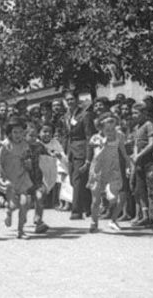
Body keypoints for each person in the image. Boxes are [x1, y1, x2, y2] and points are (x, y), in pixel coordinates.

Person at [87, 112, 132, 232]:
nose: (111, 131)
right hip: (98, 170)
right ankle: (94, 222)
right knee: (95, 201)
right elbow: (97, 156)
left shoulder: (119, 136)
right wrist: (104, 145)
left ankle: (112, 219)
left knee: (113, 198)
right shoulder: (96, 138)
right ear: (101, 128)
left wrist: (128, 166)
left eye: (113, 128)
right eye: (108, 129)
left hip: (113, 169)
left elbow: (124, 152)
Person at [0, 117, 33, 239]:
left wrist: (28, 163)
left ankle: (20, 231)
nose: (18, 135)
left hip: (22, 177)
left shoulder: (25, 144)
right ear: (10, 133)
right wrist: (4, 179)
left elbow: (27, 161)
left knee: (24, 203)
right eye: (15, 132)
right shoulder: (5, 145)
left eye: (20, 132)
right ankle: (4, 204)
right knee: (13, 205)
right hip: (9, 178)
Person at [63, 90, 95, 220]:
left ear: (77, 100)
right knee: (74, 180)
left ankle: (76, 211)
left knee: (77, 180)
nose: (70, 102)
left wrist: (88, 157)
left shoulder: (85, 115)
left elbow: (89, 136)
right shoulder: (66, 116)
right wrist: (64, 151)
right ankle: (88, 208)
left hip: (81, 150)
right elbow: (66, 135)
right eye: (68, 100)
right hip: (71, 151)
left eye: (72, 99)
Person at [129, 103, 153, 228]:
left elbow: (151, 143)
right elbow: (136, 143)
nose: (133, 115)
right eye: (133, 113)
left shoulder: (148, 125)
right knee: (140, 188)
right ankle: (144, 215)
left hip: (148, 161)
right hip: (139, 161)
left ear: (143, 113)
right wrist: (135, 155)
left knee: (152, 189)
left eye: (136, 113)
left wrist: (140, 154)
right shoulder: (137, 127)